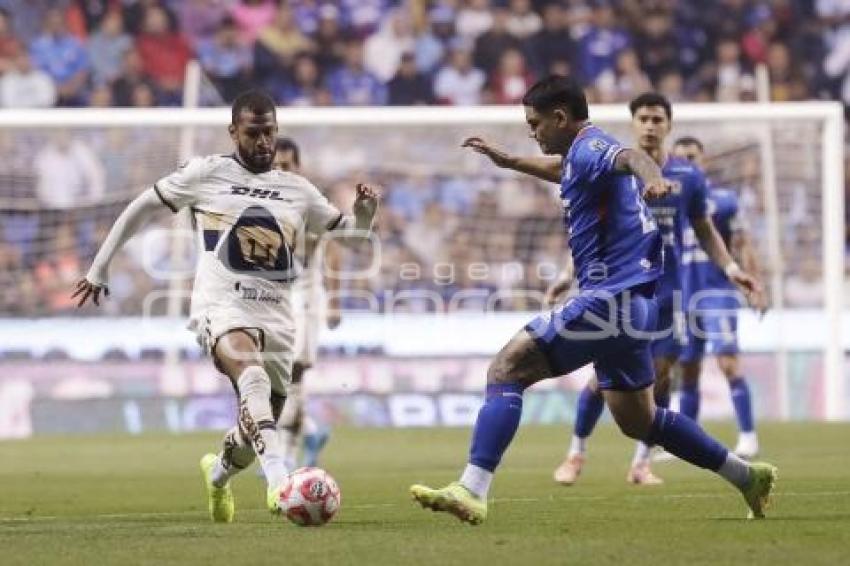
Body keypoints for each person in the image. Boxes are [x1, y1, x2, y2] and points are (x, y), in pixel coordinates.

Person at [409, 76, 776, 525]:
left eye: (535, 123)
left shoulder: (592, 146)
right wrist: (509, 161)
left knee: (505, 370)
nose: (532, 132)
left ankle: (472, 487)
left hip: (608, 300)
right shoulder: (578, 157)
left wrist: (655, 178)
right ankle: (746, 477)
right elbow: (561, 171)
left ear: (560, 118)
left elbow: (632, 157)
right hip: (637, 307)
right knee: (641, 421)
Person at [73, 90, 379, 523]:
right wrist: (99, 269)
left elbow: (352, 235)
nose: (264, 142)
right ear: (234, 131)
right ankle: (281, 481)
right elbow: (141, 208)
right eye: (254, 133)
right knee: (250, 377)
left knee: (255, 426)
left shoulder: (297, 190)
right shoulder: (206, 174)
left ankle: (217, 475)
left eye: (270, 132)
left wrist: (365, 212)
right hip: (221, 305)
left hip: (277, 315)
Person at [552, 93, 768, 486]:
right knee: (601, 379)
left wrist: (733, 268)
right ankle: (576, 452)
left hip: (671, 294)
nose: (650, 125)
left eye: (657, 119)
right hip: (621, 288)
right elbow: (592, 227)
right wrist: (568, 274)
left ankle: (640, 463)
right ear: (633, 124)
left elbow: (704, 229)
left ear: (669, 124)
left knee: (660, 378)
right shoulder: (615, 167)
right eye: (644, 118)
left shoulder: (689, 176)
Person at [673, 136, 765, 459]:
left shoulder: (724, 200)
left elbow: (743, 243)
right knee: (688, 369)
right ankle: (683, 442)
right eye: (681, 158)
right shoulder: (667, 200)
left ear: (704, 161)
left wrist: (756, 285)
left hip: (717, 292)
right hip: (683, 293)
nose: (687, 163)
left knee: (727, 362)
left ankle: (748, 435)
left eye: (692, 157)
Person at [269, 136, 342, 472]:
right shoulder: (263, 203)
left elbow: (335, 251)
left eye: (287, 164)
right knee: (273, 374)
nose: (282, 170)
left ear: (298, 166)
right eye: (277, 165)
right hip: (273, 300)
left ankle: (285, 452)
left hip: (306, 298)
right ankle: (309, 433)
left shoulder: (312, 203)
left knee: (294, 371)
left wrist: (335, 301)